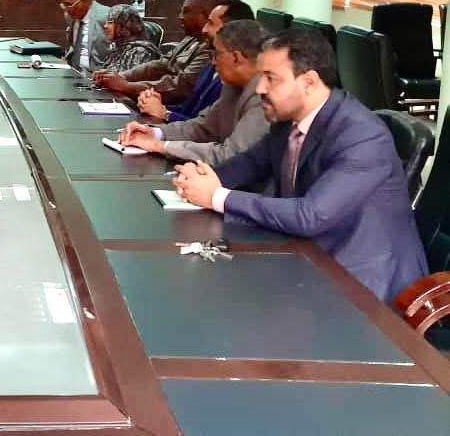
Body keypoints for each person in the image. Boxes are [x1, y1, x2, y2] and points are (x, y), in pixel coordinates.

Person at [173, 29, 427, 303]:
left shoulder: (361, 135)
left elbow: (310, 215)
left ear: (309, 82)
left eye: (271, 78)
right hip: (308, 257)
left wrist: (217, 196)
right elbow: (250, 163)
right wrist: (198, 178)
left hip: (363, 284)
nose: (259, 89)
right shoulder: (288, 121)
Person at [120, 20, 268, 166]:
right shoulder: (233, 85)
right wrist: (155, 133)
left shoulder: (264, 95)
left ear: (236, 57)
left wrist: (161, 146)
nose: (213, 62)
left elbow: (232, 156)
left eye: (217, 54)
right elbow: (203, 128)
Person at [93, 0, 225, 103]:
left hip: (170, 108)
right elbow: (161, 64)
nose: (180, 17)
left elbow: (180, 87)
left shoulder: (210, 50)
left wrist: (126, 86)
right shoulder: (190, 39)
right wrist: (121, 76)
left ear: (206, 14)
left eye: (186, 12)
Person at [138, 0, 254, 122]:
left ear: (231, 29)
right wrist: (155, 105)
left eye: (211, 23)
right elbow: (188, 110)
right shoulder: (210, 65)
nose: (204, 29)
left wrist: (165, 113)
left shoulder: (236, 80)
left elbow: (207, 128)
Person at [91, 3, 161, 73]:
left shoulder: (140, 52)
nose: (105, 26)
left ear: (125, 26)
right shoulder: (118, 50)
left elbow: (132, 78)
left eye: (110, 22)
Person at [61, 0, 111, 72]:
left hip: (98, 74)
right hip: (75, 72)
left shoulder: (106, 15)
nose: (66, 9)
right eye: (63, 5)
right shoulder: (73, 16)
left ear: (85, 0)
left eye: (68, 4)